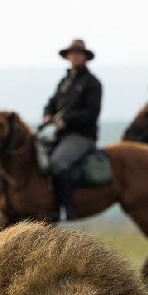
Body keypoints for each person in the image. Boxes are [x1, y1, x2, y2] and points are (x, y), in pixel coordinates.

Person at [41, 39, 102, 221]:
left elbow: (91, 113)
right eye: (73, 54)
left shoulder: (92, 83)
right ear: (68, 57)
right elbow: (51, 103)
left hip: (81, 136)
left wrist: (66, 121)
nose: (76, 57)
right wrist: (47, 115)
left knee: (57, 164)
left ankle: (66, 208)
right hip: (59, 135)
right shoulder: (64, 81)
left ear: (85, 57)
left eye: (79, 54)